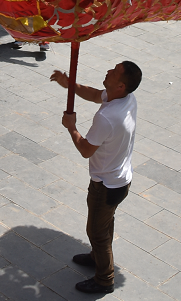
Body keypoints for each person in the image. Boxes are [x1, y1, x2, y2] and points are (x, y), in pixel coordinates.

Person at [50, 61, 142, 294]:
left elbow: (86, 150)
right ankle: (96, 257)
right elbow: (93, 94)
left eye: (114, 71)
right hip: (120, 179)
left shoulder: (108, 118)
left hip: (106, 184)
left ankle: (104, 279)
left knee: (97, 232)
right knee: (104, 223)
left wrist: (71, 127)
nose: (108, 70)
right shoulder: (126, 99)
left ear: (120, 85)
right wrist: (69, 84)